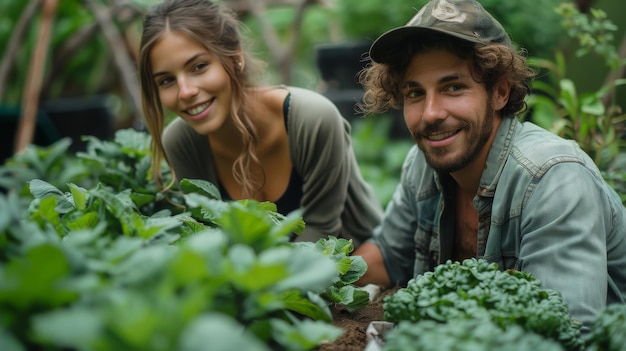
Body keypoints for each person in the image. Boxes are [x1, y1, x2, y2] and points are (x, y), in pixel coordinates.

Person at [354, 0, 626, 332]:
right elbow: (387, 257)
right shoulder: (424, 164)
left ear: (499, 92)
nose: (430, 114)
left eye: (453, 87)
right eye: (415, 93)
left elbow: (565, 332)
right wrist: (304, 273)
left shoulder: (553, 179)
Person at [137, 0, 383, 246]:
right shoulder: (181, 142)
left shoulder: (312, 119)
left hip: (367, 264)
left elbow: (321, 228)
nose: (185, 92)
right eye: (166, 81)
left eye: (199, 67)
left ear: (235, 57)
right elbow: (209, 235)